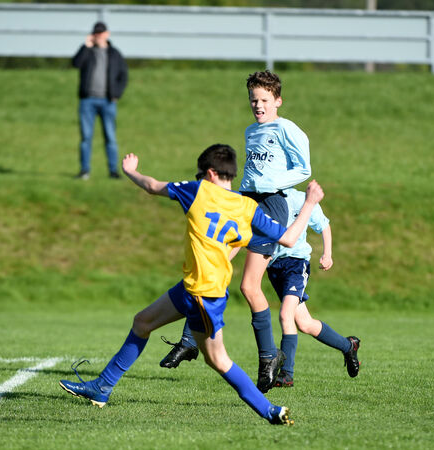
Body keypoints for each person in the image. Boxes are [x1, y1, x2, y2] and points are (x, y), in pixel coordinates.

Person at [59, 144, 325, 425]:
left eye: (200, 174)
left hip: (204, 295)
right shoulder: (247, 206)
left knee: (218, 360)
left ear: (210, 173)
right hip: (194, 288)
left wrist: (130, 171)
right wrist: (308, 204)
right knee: (142, 322)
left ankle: (270, 410)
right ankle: (102, 387)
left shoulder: (199, 191)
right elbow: (288, 238)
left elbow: (151, 186)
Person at [159, 70, 311, 394]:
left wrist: (273, 185)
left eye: (264, 100)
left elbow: (304, 168)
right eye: (254, 100)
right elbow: (253, 174)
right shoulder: (250, 131)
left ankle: (269, 356)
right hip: (245, 202)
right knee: (214, 265)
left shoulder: (287, 129)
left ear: (277, 101)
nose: (258, 105)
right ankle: (189, 341)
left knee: (249, 286)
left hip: (270, 206)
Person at [265, 188, 360, 387]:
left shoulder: (301, 198)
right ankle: (348, 345)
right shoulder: (264, 197)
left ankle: (287, 373)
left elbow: (324, 225)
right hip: (274, 267)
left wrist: (328, 254)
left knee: (285, 315)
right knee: (305, 323)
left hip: (296, 264)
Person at [72, 22, 129, 180]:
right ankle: (84, 170)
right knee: (86, 137)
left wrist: (116, 94)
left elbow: (123, 76)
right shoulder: (88, 52)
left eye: (101, 33)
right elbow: (75, 63)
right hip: (87, 100)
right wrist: (85, 46)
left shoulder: (114, 54)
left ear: (107, 34)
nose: (98, 36)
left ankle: (113, 171)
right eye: (95, 33)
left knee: (110, 137)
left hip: (108, 101)